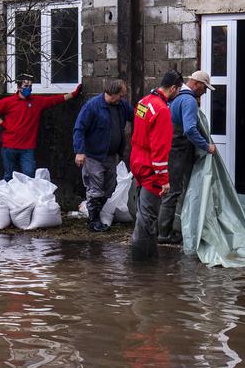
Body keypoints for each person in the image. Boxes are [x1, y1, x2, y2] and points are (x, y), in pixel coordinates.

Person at [129, 70, 184, 261]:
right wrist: (164, 179)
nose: (178, 95)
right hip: (150, 168)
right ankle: (140, 267)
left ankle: (150, 261)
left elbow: (139, 129)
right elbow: (159, 148)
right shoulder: (162, 110)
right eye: (178, 91)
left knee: (146, 217)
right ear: (174, 88)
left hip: (137, 162)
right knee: (146, 219)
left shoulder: (143, 103)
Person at [0, 75, 81, 181]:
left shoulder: (37, 101)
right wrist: (2, 123)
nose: (29, 88)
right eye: (26, 86)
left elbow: (55, 100)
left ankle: (26, 197)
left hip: (27, 147)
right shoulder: (9, 101)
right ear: (19, 87)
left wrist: (73, 94)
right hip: (9, 146)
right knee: (9, 176)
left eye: (30, 86)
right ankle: (9, 197)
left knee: (29, 175)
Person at [158, 71, 216, 244]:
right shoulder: (189, 100)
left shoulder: (176, 97)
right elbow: (190, 129)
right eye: (204, 88)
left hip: (170, 148)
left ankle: (163, 229)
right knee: (173, 191)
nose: (205, 92)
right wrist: (206, 146)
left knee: (169, 191)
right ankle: (164, 234)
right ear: (197, 84)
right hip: (177, 151)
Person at [73, 78, 132, 232]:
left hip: (111, 155)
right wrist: (79, 151)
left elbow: (136, 117)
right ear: (112, 94)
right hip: (93, 156)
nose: (122, 98)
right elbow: (79, 129)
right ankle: (94, 220)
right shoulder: (92, 106)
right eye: (121, 95)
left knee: (110, 188)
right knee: (95, 189)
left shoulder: (121, 106)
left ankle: (96, 214)